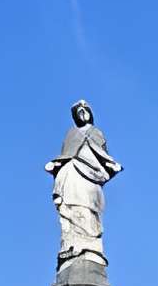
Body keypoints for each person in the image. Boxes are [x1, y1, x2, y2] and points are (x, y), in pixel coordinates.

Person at [46, 102, 122, 261]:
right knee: (70, 195)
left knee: (89, 207)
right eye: (79, 112)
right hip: (74, 172)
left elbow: (103, 153)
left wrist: (110, 164)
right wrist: (56, 164)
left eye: (84, 111)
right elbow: (66, 154)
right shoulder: (71, 134)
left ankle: (90, 245)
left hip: (93, 173)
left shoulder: (96, 132)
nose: (82, 114)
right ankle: (72, 244)